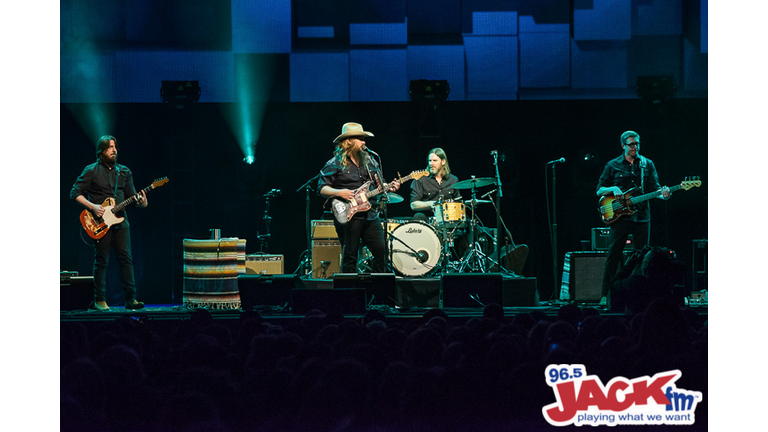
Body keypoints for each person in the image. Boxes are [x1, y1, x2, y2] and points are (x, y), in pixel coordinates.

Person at [70, 135, 147, 311]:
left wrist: (142, 202)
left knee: (126, 260)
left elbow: (133, 199)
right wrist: (93, 206)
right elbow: (75, 193)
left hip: (121, 222)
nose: (114, 150)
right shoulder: (91, 170)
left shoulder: (125, 172)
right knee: (101, 261)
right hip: (100, 223)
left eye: (115, 147)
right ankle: (99, 300)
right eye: (109, 147)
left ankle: (131, 299)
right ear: (101, 151)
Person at [596, 131, 670, 306]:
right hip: (619, 217)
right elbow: (599, 190)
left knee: (643, 255)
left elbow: (656, 189)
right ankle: (606, 294)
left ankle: (640, 294)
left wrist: (664, 195)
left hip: (641, 215)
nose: (635, 147)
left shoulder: (647, 164)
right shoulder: (612, 165)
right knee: (613, 254)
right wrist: (613, 189)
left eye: (637, 144)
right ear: (623, 145)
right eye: (631, 144)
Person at [318, 123, 400, 274]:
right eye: (360, 139)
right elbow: (322, 188)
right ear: (349, 141)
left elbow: (379, 184)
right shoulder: (334, 163)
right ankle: (349, 288)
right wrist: (339, 192)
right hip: (349, 215)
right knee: (350, 255)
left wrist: (388, 186)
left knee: (381, 250)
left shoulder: (370, 161)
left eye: (364, 139)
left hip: (370, 214)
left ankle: (378, 286)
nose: (364, 142)